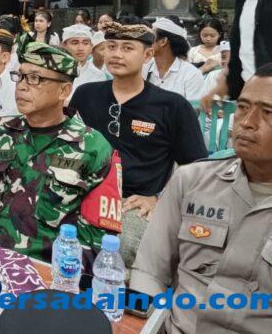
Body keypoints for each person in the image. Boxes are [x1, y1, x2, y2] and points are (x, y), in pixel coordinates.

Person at [130, 63, 272, 334]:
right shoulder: (192, 181)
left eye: (269, 113)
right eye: (243, 107)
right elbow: (150, 272)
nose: (247, 122)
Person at [0, 39, 114, 263]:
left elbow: (98, 236)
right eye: (20, 76)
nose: (21, 86)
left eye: (35, 78)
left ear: (64, 90)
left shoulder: (93, 147)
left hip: (50, 271)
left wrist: (57, 273)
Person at [69, 21, 207, 220]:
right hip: (84, 194)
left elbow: (196, 169)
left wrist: (159, 198)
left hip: (136, 206)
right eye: (111, 47)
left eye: (127, 48)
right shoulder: (86, 95)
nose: (117, 54)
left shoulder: (172, 106)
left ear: (148, 55)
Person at [144, 17, 204, 102]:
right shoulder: (144, 68)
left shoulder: (191, 74)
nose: (146, 40)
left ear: (163, 41)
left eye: (151, 36)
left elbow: (193, 108)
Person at [61, 24, 103, 95]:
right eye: (75, 43)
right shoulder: (54, 71)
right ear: (64, 46)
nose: (80, 48)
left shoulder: (97, 76)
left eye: (85, 43)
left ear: (91, 47)